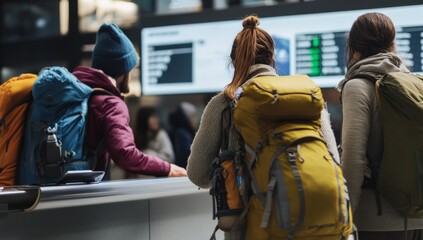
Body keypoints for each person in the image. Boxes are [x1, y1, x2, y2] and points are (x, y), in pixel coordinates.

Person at [187, 15, 340, 240]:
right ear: (272, 58)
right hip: (312, 224)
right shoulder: (306, 95)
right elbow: (334, 160)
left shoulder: (225, 103)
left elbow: (197, 173)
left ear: (234, 61)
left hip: (250, 228)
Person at [337, 12, 423, 240]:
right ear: (392, 43)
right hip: (422, 219)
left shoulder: (358, 86)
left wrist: (344, 219)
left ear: (353, 48)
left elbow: (354, 158)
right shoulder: (414, 82)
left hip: (377, 221)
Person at [72, 23, 186, 178]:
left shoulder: (78, 93)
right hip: (85, 191)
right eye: (131, 69)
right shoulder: (110, 104)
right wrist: (167, 168)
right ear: (123, 69)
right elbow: (124, 154)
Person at [168, 102, 196, 168]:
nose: (194, 119)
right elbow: (185, 155)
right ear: (187, 117)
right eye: (193, 116)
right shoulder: (183, 134)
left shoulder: (178, 131)